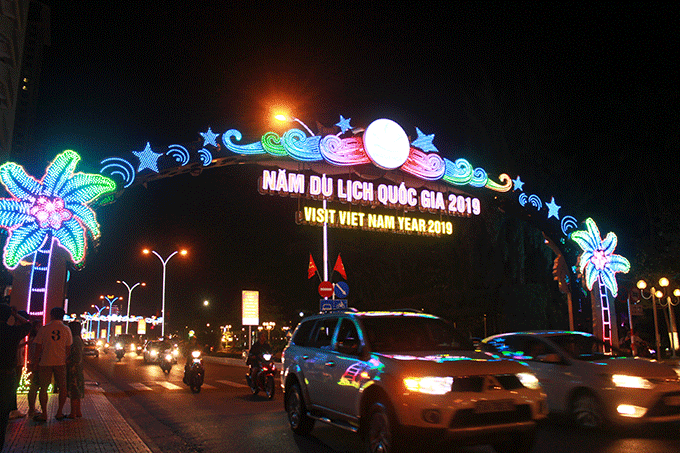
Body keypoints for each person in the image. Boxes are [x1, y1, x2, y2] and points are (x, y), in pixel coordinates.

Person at [34, 306, 73, 422]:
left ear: (51, 315)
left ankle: (44, 414)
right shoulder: (66, 329)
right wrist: (65, 358)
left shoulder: (44, 329)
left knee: (43, 388)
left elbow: (38, 348)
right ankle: (59, 412)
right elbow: (68, 348)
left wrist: (35, 362)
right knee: (62, 387)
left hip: (45, 362)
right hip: (60, 362)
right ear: (62, 316)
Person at [0, 304, 31, 449]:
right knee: (3, 412)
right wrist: (15, 314)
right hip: (6, 374)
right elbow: (29, 325)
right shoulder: (11, 332)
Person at [66, 321, 84, 418]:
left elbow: (76, 357)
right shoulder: (78, 339)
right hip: (79, 369)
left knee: (74, 390)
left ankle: (73, 412)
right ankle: (78, 411)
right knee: (77, 390)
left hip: (74, 369)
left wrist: (68, 361)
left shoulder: (74, 340)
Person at [25, 318, 42, 418]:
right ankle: (31, 408)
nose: (40, 328)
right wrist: (36, 363)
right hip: (36, 364)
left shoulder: (33, 339)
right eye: (39, 326)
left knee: (34, 386)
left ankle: (32, 408)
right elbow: (35, 353)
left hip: (35, 363)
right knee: (34, 386)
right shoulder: (35, 339)